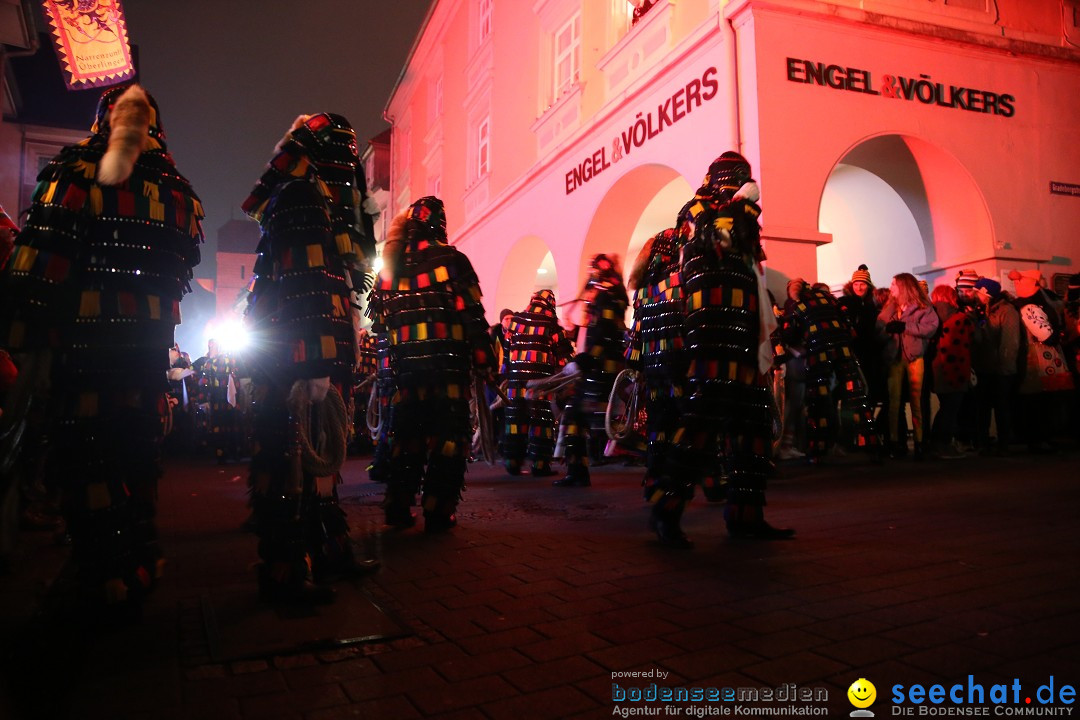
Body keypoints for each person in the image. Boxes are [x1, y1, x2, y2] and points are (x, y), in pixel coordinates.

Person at [0, 84, 203, 615]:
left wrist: (25, 337)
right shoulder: (175, 189)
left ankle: (100, 576)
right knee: (134, 454)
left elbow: (37, 265)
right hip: (144, 351)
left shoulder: (79, 170)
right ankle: (137, 561)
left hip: (82, 348)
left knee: (87, 461)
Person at [242, 113, 378, 603]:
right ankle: (285, 570)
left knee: (318, 457)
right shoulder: (301, 196)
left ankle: (325, 550)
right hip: (296, 356)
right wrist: (314, 363)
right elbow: (303, 285)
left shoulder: (308, 196)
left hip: (310, 351)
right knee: (288, 457)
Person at [649, 152, 793, 545]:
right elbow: (714, 242)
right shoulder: (699, 210)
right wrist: (737, 208)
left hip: (743, 334)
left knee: (755, 426)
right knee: (701, 422)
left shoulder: (746, 217)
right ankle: (666, 510)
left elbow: (751, 270)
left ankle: (746, 515)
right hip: (711, 332)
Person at [368, 196, 496, 533]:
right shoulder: (453, 260)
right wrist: (484, 358)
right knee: (448, 441)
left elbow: (381, 328)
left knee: (406, 441)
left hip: (407, 376)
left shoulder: (388, 270)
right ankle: (438, 512)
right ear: (439, 222)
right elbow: (472, 316)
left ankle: (397, 508)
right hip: (447, 372)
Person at [782, 280, 881, 461]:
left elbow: (791, 334)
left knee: (818, 398)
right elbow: (849, 325)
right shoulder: (830, 299)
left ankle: (819, 449)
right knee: (856, 396)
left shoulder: (798, 306)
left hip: (818, 351)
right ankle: (870, 443)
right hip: (843, 349)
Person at [555, 254, 628, 487]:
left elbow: (604, 333)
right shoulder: (611, 296)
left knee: (575, 417)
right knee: (577, 418)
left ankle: (578, 472)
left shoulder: (607, 297)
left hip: (600, 370)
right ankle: (578, 472)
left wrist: (589, 357)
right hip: (600, 368)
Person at [501, 289, 573, 476]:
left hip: (515, 383)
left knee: (516, 420)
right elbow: (563, 359)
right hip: (541, 384)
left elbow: (508, 352)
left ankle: (512, 463)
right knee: (541, 422)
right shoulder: (552, 325)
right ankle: (540, 466)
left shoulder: (515, 322)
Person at [1009, 269, 1074, 452]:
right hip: (1039, 360)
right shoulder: (1030, 308)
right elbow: (1044, 334)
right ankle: (1037, 438)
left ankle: (1042, 436)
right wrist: (1058, 336)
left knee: (1041, 401)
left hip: (1042, 360)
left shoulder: (1030, 305)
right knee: (1038, 402)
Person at [877, 273, 938, 460]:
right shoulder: (889, 307)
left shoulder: (922, 306)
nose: (891, 287)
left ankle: (920, 442)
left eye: (894, 284)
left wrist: (905, 326)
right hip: (894, 358)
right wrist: (888, 331)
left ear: (903, 286)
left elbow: (931, 328)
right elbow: (878, 331)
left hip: (914, 358)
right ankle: (894, 442)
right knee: (894, 402)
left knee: (917, 402)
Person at [972, 277, 1019, 456]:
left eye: (978, 292)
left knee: (1001, 407)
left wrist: (1005, 366)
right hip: (985, 367)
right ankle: (983, 443)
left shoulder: (1007, 311)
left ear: (986, 293)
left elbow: (1010, 342)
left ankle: (1003, 444)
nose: (975, 295)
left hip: (1000, 369)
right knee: (983, 408)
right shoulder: (984, 310)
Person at [928, 285, 974, 459]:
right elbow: (969, 341)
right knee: (950, 410)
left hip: (939, 370)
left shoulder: (933, 317)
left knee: (945, 408)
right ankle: (942, 444)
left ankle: (938, 444)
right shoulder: (960, 318)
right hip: (957, 370)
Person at [838, 264, 884, 409]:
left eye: (862, 284)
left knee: (870, 390)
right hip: (853, 353)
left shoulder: (873, 305)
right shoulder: (845, 303)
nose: (858, 287)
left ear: (868, 286)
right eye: (856, 284)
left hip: (871, 354)